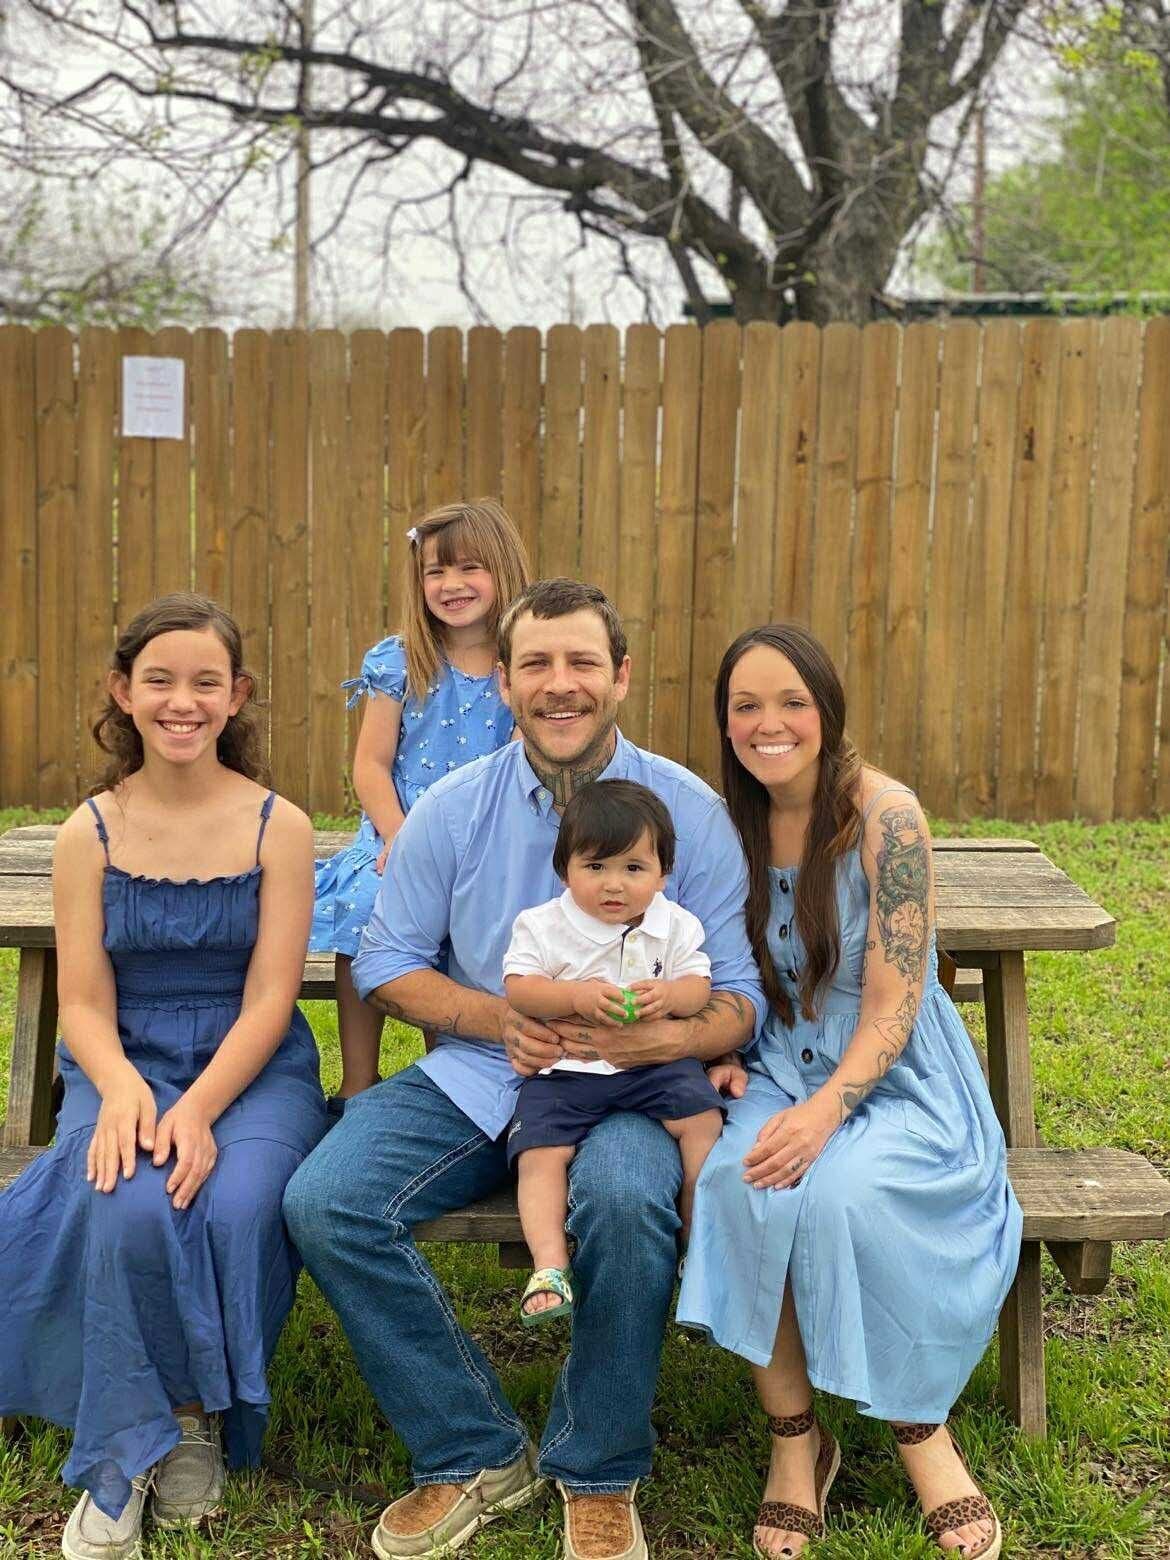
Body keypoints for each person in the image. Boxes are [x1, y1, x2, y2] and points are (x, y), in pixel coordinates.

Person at [283, 579, 765, 1560]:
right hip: (477, 1070)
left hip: (625, 1086)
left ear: (619, 677)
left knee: (629, 1202)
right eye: (535, 664)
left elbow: (745, 989)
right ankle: (473, 1449)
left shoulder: (690, 811)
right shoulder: (450, 809)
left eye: (582, 662)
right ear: (501, 682)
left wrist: (668, 1041)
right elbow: (383, 961)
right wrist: (494, 1017)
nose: (560, 686)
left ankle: (600, 1468)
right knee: (328, 1198)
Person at [676, 624, 1022, 1560]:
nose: (769, 723)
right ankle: (798, 1445)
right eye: (745, 705)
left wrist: (829, 1111)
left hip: (889, 1067)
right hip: (775, 1054)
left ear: (827, 710)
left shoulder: (886, 816)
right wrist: (713, 1042)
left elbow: (897, 999)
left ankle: (922, 1431)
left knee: (846, 1194)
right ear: (725, 721)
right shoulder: (719, 823)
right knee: (734, 1182)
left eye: (791, 701)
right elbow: (695, 953)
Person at [0, 593, 328, 1560]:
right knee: (130, 1204)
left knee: (234, 1204)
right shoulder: (86, 834)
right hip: (123, 1061)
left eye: (205, 683)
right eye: (160, 681)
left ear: (237, 699)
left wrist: (199, 1107)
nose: (182, 702)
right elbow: (86, 1002)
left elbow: (273, 998)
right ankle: (133, 1451)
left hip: (250, 1066)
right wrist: (125, 1089)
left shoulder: (280, 825)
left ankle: (197, 1418)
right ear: (123, 692)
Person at [310, 498, 530, 1110]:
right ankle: (358, 1080)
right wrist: (400, 837)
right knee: (364, 913)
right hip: (396, 836)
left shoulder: (524, 665)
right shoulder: (400, 660)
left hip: (486, 841)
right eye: (436, 572)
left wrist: (465, 856)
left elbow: (514, 771)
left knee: (458, 923)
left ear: (503, 569)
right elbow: (371, 765)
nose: (451, 585)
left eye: (469, 569)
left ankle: (447, 1079)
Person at [503, 779, 724, 1325]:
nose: (614, 885)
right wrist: (573, 995)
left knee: (703, 1122)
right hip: (568, 1069)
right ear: (565, 870)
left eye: (633, 868)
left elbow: (700, 987)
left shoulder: (675, 924)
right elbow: (520, 987)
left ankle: (699, 1242)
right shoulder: (543, 925)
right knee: (538, 1152)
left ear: (662, 874)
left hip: (652, 1065)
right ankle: (549, 1264)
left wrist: (670, 997)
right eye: (595, 867)